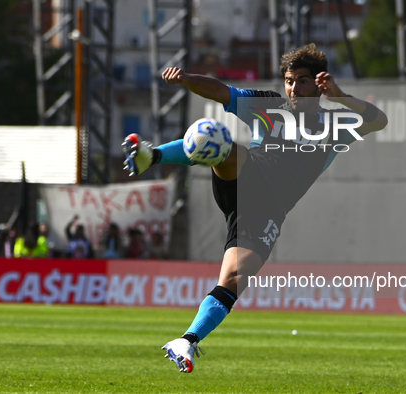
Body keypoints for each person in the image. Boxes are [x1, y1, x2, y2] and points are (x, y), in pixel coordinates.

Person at [122, 43, 387, 373]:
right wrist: (187, 79)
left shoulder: (336, 125)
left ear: (318, 84)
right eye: (290, 80)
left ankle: (186, 341)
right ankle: (153, 156)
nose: (294, 88)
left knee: (234, 278)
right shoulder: (269, 105)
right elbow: (221, 92)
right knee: (214, 137)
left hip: (269, 209)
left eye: (302, 81)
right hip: (247, 176)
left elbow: (378, 120)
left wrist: (340, 95)